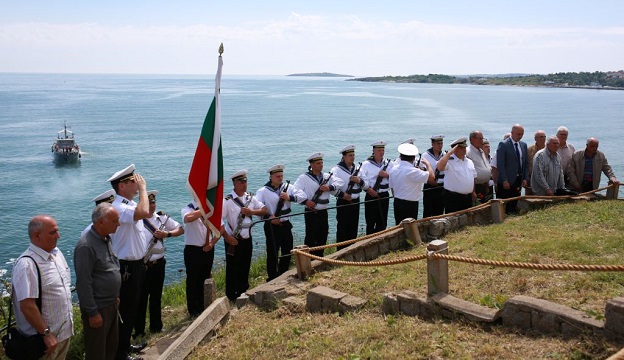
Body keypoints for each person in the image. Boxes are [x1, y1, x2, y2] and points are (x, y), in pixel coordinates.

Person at [11, 215, 74, 360]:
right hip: (44, 342)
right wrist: (46, 334)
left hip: (63, 334)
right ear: (37, 235)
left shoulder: (57, 254)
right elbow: (27, 305)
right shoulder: (27, 264)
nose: (58, 236)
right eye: (53, 232)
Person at [107, 164, 150, 360]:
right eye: (133, 180)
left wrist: (140, 193)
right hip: (125, 267)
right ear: (122, 186)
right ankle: (119, 353)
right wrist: (143, 189)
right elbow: (142, 213)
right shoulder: (118, 208)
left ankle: (125, 345)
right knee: (125, 309)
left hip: (137, 264)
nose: (137, 182)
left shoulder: (130, 205)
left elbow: (144, 211)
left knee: (133, 307)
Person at [74, 203, 121, 360]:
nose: (119, 224)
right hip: (99, 309)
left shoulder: (106, 239)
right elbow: (83, 282)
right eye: (115, 221)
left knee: (111, 347)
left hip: (111, 304)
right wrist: (92, 312)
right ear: (101, 222)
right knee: (97, 352)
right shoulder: (86, 246)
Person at [134, 191, 184, 338]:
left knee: (156, 297)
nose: (152, 206)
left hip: (158, 264)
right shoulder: (136, 220)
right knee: (141, 299)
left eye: (153, 203)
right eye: (149, 203)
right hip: (143, 265)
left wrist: (167, 234)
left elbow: (180, 229)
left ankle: (156, 327)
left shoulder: (161, 217)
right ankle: (139, 331)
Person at [222, 170, 267, 301]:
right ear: (235, 183)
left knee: (245, 265)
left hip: (247, 238)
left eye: (245, 181)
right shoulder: (227, 200)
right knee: (232, 267)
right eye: (241, 182)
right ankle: (231, 294)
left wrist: (251, 211)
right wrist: (226, 237)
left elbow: (264, 210)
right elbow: (219, 220)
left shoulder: (251, 198)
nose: (244, 184)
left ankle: (243, 290)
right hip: (233, 239)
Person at [256, 164, 306, 281]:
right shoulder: (263, 191)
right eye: (277, 176)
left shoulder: (288, 187)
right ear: (271, 177)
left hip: (285, 223)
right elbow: (257, 207)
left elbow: (303, 196)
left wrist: (290, 197)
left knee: (287, 251)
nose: (280, 178)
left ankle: (284, 274)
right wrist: (270, 217)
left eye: (281, 176)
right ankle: (272, 277)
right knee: (272, 253)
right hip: (271, 226)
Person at [294, 152, 343, 257]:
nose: (321, 165)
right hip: (311, 212)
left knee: (323, 236)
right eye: (318, 163)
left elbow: (340, 182)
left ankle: (320, 258)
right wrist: (306, 201)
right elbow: (295, 191)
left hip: (323, 211)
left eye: (321, 163)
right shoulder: (304, 178)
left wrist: (329, 187)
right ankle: (309, 260)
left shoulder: (326, 176)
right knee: (311, 238)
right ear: (311, 165)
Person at [181, 199, 219, 317]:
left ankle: (205, 305)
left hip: (207, 248)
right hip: (193, 250)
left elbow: (219, 228)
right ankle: (194, 310)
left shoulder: (211, 210)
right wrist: (204, 211)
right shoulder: (187, 208)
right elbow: (188, 218)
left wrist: (212, 243)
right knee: (193, 280)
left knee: (206, 277)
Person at [388, 142, 434, 224]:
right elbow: (431, 177)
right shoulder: (413, 171)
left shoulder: (393, 169)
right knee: (410, 229)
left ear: (400, 156)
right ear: (413, 158)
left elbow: (392, 188)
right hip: (410, 204)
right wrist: (428, 164)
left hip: (397, 202)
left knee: (398, 228)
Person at [331, 144, 365, 250]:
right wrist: (343, 195)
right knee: (342, 228)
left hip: (355, 201)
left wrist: (359, 181)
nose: (353, 157)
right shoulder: (336, 170)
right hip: (343, 202)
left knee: (353, 227)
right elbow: (331, 188)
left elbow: (366, 183)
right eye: (350, 155)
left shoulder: (358, 168)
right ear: (344, 157)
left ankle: (352, 250)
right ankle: (340, 252)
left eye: (353, 155)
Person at [437, 137, 477, 213]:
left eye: (465, 147)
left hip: (467, 197)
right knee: (453, 221)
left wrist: (473, 191)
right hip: (453, 198)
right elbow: (440, 167)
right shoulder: (449, 161)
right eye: (461, 148)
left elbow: (473, 177)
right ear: (454, 149)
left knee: (466, 221)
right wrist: (449, 153)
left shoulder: (469, 162)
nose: (464, 149)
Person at [359, 141, 391, 234]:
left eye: (383, 150)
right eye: (379, 150)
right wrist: (368, 189)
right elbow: (360, 178)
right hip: (371, 195)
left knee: (382, 221)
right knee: (370, 222)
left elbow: (396, 175)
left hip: (384, 195)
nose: (381, 152)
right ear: (374, 151)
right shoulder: (366, 164)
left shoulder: (388, 163)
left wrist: (387, 175)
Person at [496, 125, 529, 213]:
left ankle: (513, 215)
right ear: (512, 133)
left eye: (522, 134)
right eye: (518, 134)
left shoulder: (523, 145)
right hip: (507, 180)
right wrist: (504, 180)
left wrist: (525, 178)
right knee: (505, 203)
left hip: (519, 179)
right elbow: (500, 164)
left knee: (514, 201)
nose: (520, 136)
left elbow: (526, 163)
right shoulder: (503, 144)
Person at [421, 135, 446, 217]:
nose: (440, 145)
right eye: (438, 143)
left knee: (439, 211)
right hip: (430, 187)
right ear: (433, 144)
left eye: (441, 143)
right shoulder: (425, 155)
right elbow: (423, 171)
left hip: (442, 187)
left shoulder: (444, 154)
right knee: (427, 212)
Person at [466, 130, 492, 203]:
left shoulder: (481, 151)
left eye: (482, 138)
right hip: (476, 187)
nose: (482, 141)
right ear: (472, 139)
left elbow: (485, 167)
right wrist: (473, 191)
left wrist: (486, 184)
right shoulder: (468, 152)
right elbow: (470, 173)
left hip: (483, 186)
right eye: (479, 138)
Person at [526, 130, 547, 195]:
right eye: (538, 137)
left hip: (546, 178)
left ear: (545, 138)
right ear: (535, 138)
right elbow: (525, 164)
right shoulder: (529, 150)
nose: (541, 139)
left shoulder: (549, 149)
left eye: (542, 137)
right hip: (531, 179)